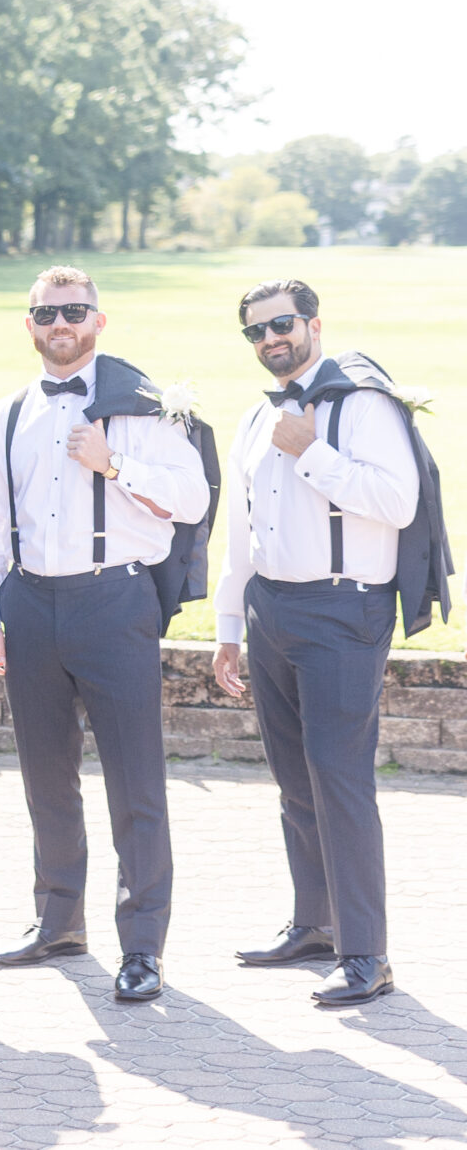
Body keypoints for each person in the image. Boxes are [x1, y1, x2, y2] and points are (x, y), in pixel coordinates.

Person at [0, 266, 212, 1005]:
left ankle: (142, 947)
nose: (59, 324)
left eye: (73, 311)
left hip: (114, 602)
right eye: (46, 314)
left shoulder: (144, 407)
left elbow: (192, 498)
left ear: (99, 321)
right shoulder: (8, 414)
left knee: (135, 779)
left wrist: (117, 464)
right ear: (30, 325)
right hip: (31, 605)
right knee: (46, 775)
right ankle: (58, 921)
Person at [213, 279, 449, 1009]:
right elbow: (242, 533)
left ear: (313, 323)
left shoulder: (364, 405)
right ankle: (314, 925)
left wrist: (312, 451)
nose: (270, 340)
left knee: (338, 778)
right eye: (255, 331)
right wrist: (228, 628)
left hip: (345, 611)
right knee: (293, 780)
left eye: (281, 325)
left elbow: (398, 501)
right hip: (272, 611)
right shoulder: (258, 415)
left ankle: (366, 952)